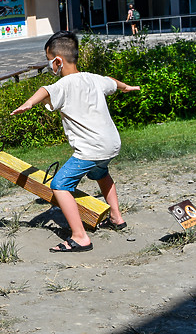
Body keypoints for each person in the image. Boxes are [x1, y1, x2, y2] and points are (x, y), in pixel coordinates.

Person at [10, 30, 140, 252]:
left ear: (58, 61)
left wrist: (29, 103)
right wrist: (126, 87)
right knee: (100, 174)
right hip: (111, 144)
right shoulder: (93, 78)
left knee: (59, 185)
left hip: (91, 149)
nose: (49, 66)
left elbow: (44, 90)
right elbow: (111, 82)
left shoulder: (64, 84)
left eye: (49, 61)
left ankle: (80, 237)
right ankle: (117, 217)